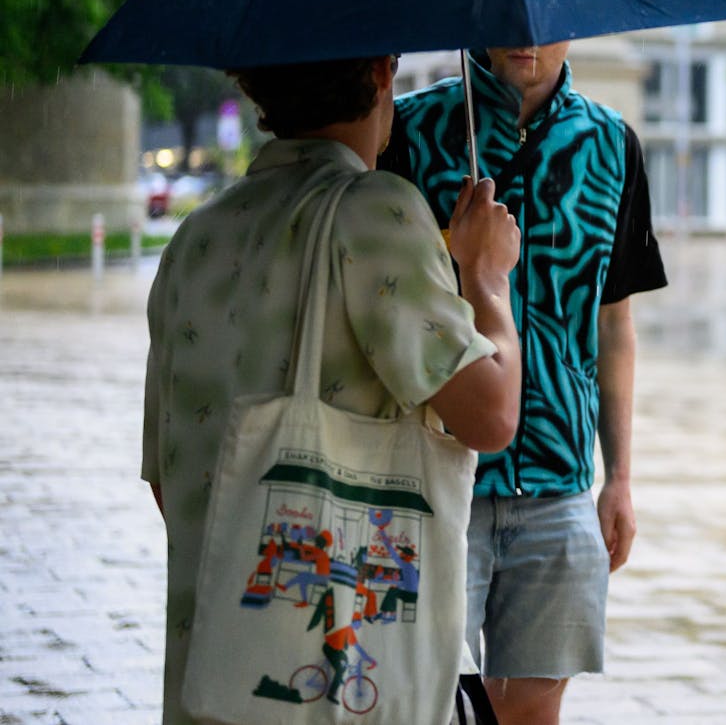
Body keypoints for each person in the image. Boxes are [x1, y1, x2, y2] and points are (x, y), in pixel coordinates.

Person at [142, 54, 524, 725]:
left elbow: (169, 484)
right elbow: (491, 415)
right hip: (340, 685)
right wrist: (487, 277)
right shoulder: (374, 212)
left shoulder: (194, 239)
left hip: (215, 674)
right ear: (381, 73)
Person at [383, 43, 667, 724]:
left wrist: (619, 477)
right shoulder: (405, 136)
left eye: (546, 16)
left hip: (560, 488)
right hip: (434, 483)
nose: (528, 35)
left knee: (534, 711)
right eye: (507, 14)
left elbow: (614, 325)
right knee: (419, 704)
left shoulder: (612, 145)